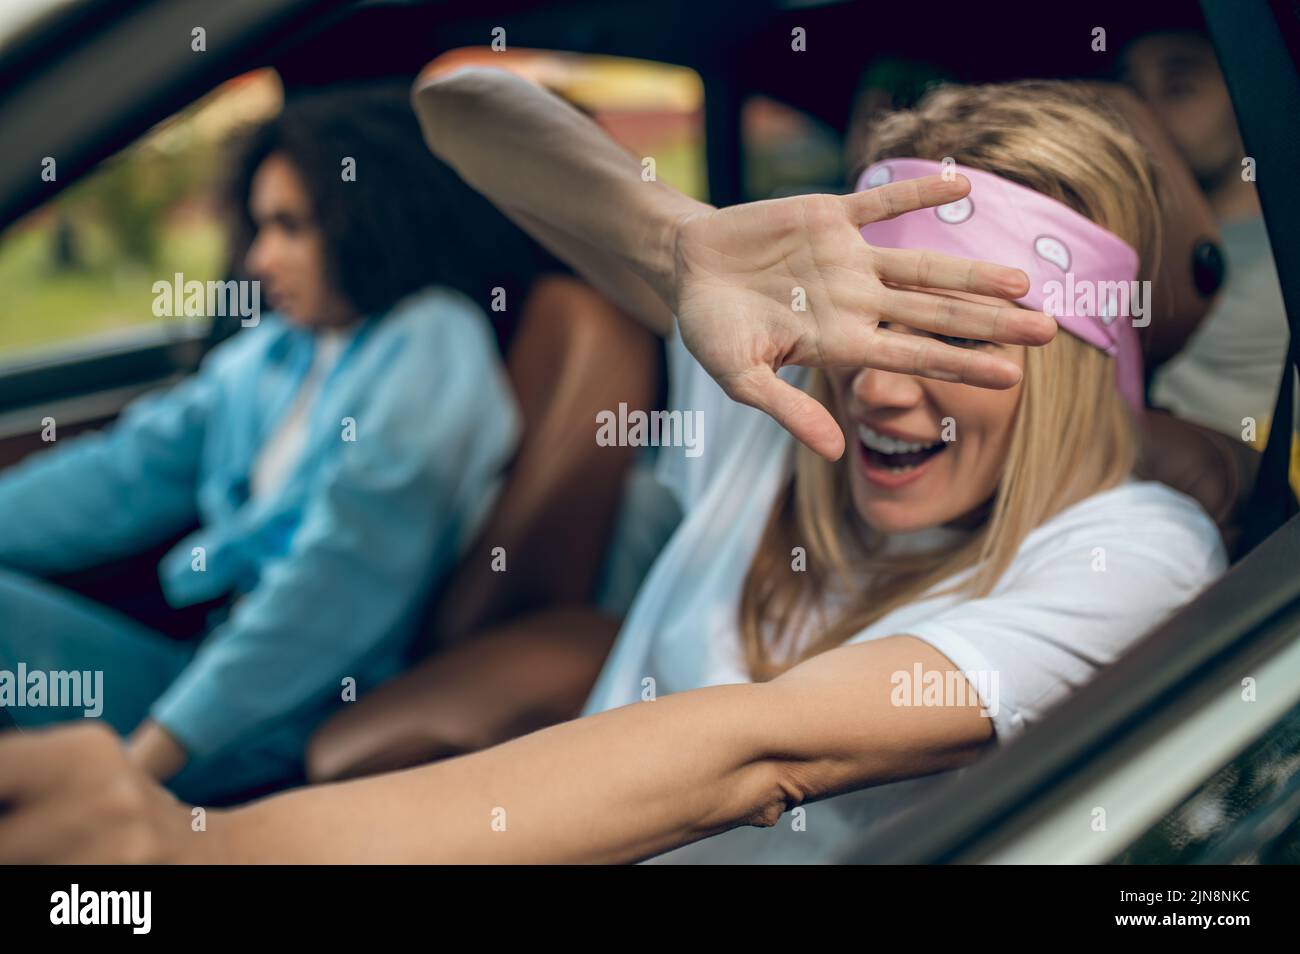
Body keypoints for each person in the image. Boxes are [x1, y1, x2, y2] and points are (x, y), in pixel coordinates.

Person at [0, 72, 1225, 863]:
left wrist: (200, 849)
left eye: (947, 339)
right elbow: (460, 107)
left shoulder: (1136, 553)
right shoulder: (785, 413)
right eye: (867, 326)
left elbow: (760, 747)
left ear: (1078, 360)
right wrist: (675, 243)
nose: (882, 386)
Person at [0, 86, 519, 803]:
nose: (260, 259)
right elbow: (125, 471)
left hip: (282, 719)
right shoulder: (282, 349)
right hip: (204, 665)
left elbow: (336, 580)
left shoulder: (432, 341)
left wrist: (145, 763)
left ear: (365, 218)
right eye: (257, 228)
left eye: (290, 227)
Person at [1123, 30, 1292, 471]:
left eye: (1179, 88)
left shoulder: (1283, 242)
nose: (1150, 115)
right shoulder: (1126, 243)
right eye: (1133, 95)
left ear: (1243, 85)